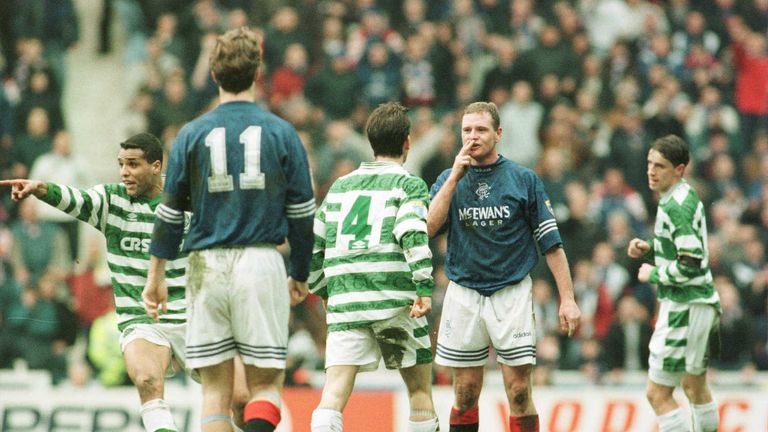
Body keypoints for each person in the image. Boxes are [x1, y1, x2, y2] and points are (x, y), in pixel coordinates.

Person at [0, 133, 250, 432]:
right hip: (142, 316)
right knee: (146, 380)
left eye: (133, 164)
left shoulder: (190, 199)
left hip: (195, 313)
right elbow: (77, 198)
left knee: (240, 398)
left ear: (156, 166)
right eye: (121, 164)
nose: (124, 172)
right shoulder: (112, 200)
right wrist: (40, 188)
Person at [142, 27, 315, 432]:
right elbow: (303, 215)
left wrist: (157, 274)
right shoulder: (281, 132)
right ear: (258, 74)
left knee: (215, 394)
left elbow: (168, 214)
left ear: (214, 75)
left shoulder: (190, 134)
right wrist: (301, 271)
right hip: (259, 261)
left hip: (205, 265)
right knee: (266, 386)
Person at [426, 101, 581, 432]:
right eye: (466, 130)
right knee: (465, 392)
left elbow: (551, 244)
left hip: (510, 293)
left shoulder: (523, 179)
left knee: (520, 391)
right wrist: (455, 176)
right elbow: (428, 227)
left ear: (498, 134)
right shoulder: (448, 177)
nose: (472, 136)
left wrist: (567, 298)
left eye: (480, 129)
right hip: (464, 293)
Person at [308, 102, 439, 432]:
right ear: (407, 142)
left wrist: (322, 288)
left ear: (370, 141)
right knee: (420, 392)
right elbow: (412, 234)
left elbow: (315, 243)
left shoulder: (340, 186)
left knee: (334, 392)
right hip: (394, 300)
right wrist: (423, 287)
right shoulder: (409, 185)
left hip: (347, 299)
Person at [627, 134, 721, 432]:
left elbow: (690, 263)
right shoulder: (683, 195)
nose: (652, 172)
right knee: (695, 386)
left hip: (684, 306)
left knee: (657, 393)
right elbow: (684, 248)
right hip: (702, 303)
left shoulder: (674, 207)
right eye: (650, 164)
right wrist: (652, 247)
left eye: (661, 166)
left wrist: (653, 274)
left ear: (679, 169)